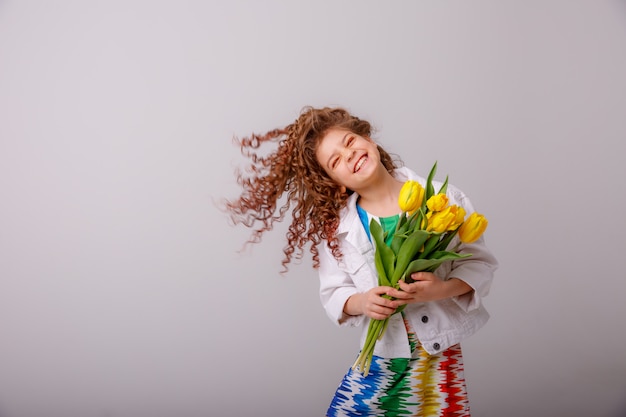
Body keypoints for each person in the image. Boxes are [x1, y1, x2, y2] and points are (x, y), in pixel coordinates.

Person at [223, 106, 498, 416]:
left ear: (368, 139)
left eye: (350, 142)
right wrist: (363, 301)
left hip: (436, 356)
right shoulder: (339, 230)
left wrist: (440, 289)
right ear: (335, 182)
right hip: (381, 356)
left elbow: (479, 264)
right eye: (336, 161)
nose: (349, 155)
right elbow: (333, 293)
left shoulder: (441, 199)